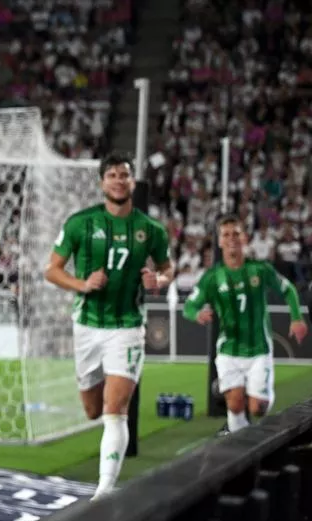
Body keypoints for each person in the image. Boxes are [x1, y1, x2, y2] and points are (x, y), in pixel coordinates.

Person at [45, 154, 173, 500]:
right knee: (92, 410)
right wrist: (82, 284)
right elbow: (52, 270)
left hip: (127, 326)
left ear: (132, 182)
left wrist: (158, 280)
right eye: (113, 175)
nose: (119, 180)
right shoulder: (80, 223)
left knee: (115, 411)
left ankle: (104, 491)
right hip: (87, 325)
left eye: (124, 175)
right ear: (102, 182)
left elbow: (167, 268)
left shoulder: (151, 229)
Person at [183, 215, 307, 432]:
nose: (231, 238)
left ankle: (257, 396)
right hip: (229, 350)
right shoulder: (212, 277)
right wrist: (197, 314)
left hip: (258, 349)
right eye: (226, 235)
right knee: (235, 404)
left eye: (236, 234)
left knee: (258, 408)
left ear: (245, 238)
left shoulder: (260, 269)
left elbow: (288, 289)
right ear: (220, 241)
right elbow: (189, 307)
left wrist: (296, 318)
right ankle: (236, 441)